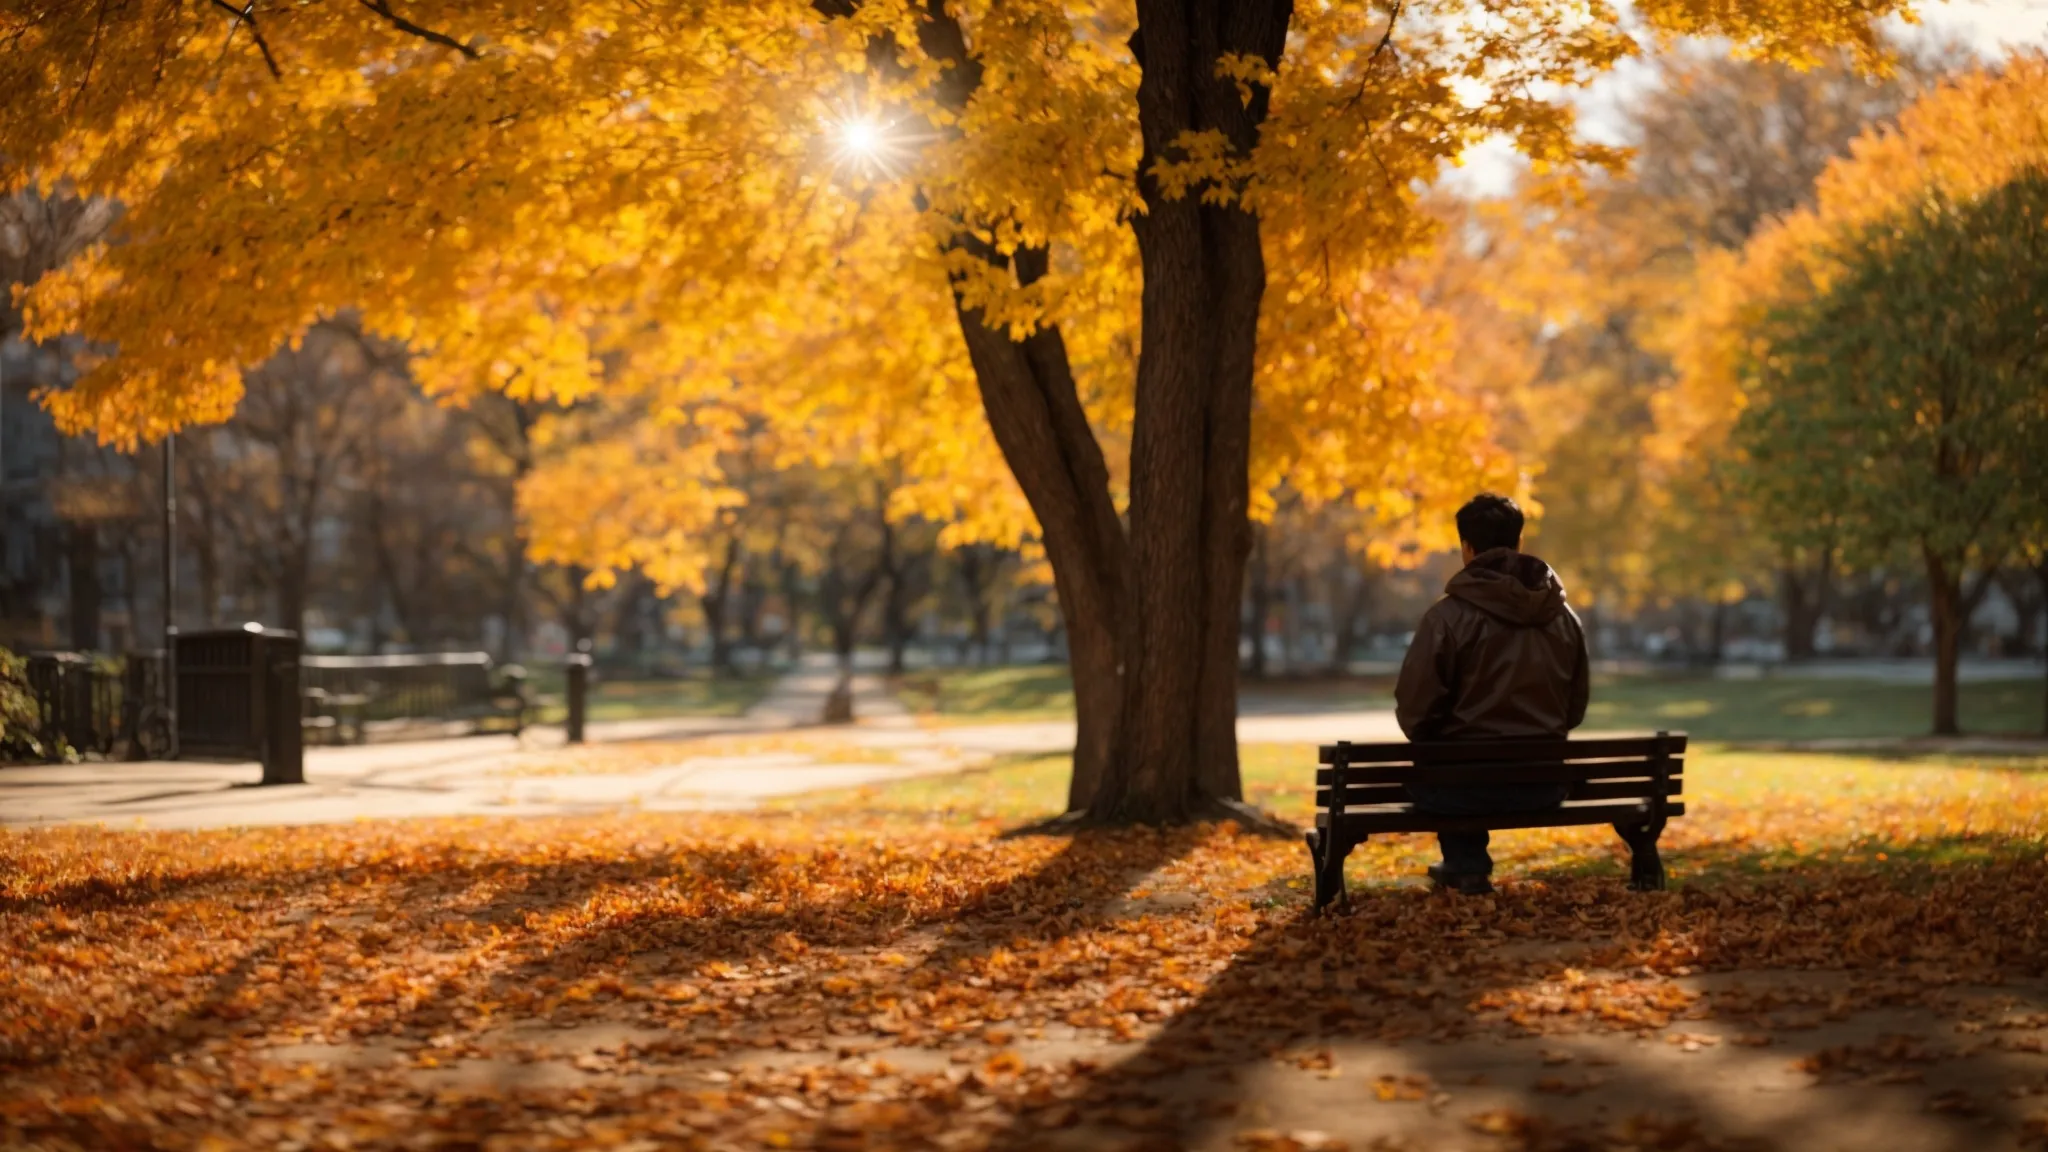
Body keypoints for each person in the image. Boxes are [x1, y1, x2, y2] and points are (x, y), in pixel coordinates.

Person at [1394, 493, 1590, 895]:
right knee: (1454, 765)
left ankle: (1465, 863)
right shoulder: (1563, 618)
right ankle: (1464, 861)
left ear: (1467, 547)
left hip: (1460, 789)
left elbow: (1416, 712)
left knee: (1443, 762)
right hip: (1543, 783)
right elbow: (1574, 708)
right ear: (1518, 543)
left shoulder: (1445, 618)